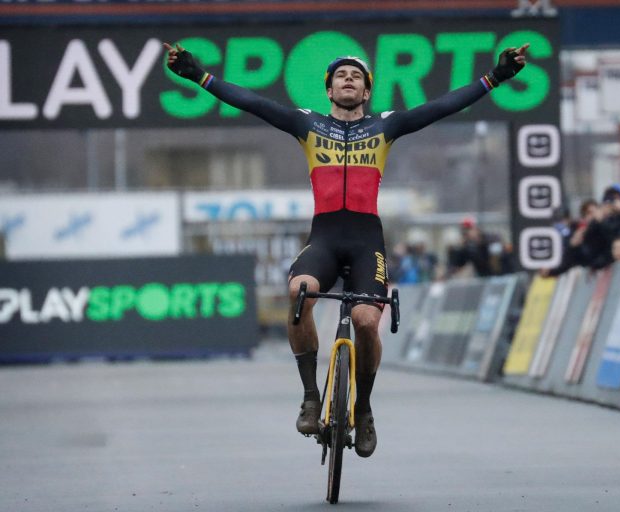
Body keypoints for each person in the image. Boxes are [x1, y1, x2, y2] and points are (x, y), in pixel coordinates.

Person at [164, 41, 529, 457]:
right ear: (329, 90)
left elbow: (442, 106)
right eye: (341, 76)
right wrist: (197, 75)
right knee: (298, 290)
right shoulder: (307, 124)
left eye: (357, 76)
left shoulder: (386, 126)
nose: (349, 80)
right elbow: (252, 102)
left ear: (367, 91)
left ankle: (365, 408)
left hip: (365, 240)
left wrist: (497, 76)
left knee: (367, 322)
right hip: (324, 236)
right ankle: (309, 396)